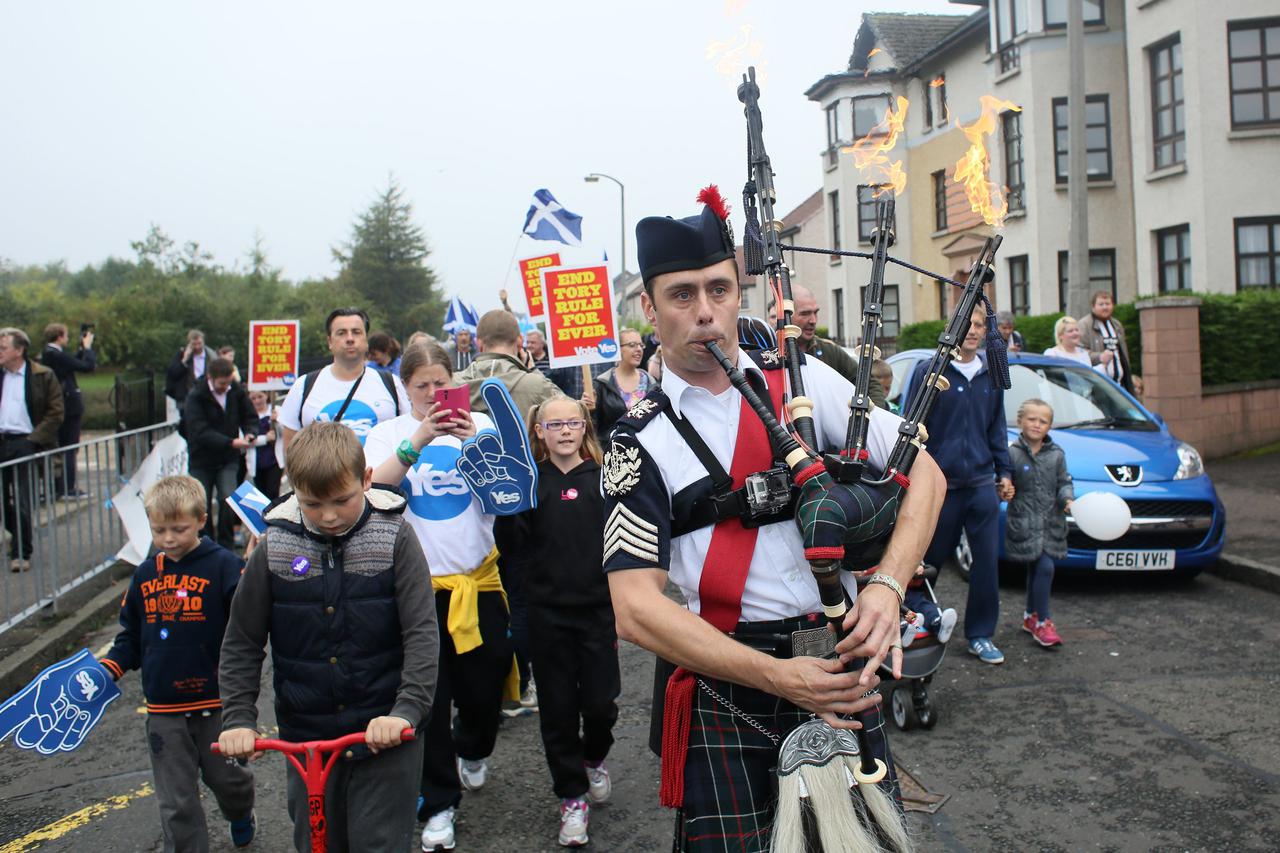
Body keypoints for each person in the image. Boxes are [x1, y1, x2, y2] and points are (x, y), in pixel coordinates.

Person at [604, 195, 945, 850]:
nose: (705, 310)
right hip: (734, 677)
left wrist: (888, 585)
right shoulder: (634, 443)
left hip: (840, 660)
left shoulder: (802, 378)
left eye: (719, 288)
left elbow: (924, 472)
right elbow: (635, 608)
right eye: (681, 294)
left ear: (739, 291)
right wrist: (779, 677)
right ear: (649, 308)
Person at [218, 421, 437, 853]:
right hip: (308, 739)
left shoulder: (394, 536)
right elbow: (242, 641)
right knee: (316, 843)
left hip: (385, 731)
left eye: (342, 500)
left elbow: (421, 631)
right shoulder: (275, 546)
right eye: (313, 504)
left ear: (367, 479)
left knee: (379, 844)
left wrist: (407, 710)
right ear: (293, 489)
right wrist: (239, 719)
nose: (330, 515)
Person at [363, 343, 516, 852]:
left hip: (479, 583)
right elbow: (370, 494)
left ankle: (474, 748)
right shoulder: (387, 433)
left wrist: (481, 446)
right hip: (414, 593)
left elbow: (511, 497)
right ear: (405, 387)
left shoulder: (482, 426)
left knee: (484, 688)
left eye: (440, 383)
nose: (433, 394)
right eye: (422, 385)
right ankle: (439, 804)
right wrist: (419, 438)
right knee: (428, 701)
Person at [99, 475, 256, 852]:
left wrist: (254, 575)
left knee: (230, 782)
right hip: (164, 709)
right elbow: (131, 635)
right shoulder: (145, 573)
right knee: (176, 801)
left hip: (215, 702)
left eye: (179, 529)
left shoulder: (222, 566)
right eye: (159, 530)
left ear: (202, 520)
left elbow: (248, 618)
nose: (169, 539)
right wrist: (110, 667)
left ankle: (240, 812)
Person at [494, 396, 618, 847]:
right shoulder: (529, 483)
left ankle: (593, 758)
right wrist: (506, 506)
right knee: (559, 709)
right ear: (539, 432)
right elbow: (511, 548)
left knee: (601, 705)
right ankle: (571, 797)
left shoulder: (605, 479)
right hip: (547, 614)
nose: (565, 431)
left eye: (573, 422)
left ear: (585, 428)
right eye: (555, 424)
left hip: (598, 612)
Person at [907, 307, 1013, 665]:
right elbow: (912, 427)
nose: (972, 331)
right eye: (965, 325)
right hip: (941, 486)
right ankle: (917, 622)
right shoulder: (930, 370)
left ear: (985, 332)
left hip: (982, 483)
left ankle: (980, 635)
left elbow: (996, 427)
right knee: (928, 561)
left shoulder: (991, 371)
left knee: (986, 562)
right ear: (951, 328)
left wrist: (1005, 471)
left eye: (979, 326)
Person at [277, 307, 409, 449]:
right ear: (329, 341)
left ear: (366, 340)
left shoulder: (391, 384)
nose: (350, 338)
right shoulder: (303, 386)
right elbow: (290, 444)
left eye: (356, 332)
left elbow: (408, 433)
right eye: (341, 333)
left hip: (380, 471)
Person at [1006, 398, 1073, 649]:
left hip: (1050, 521)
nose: (1036, 424)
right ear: (1021, 421)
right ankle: (1034, 617)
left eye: (1043, 421)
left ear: (1050, 426)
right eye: (1032, 419)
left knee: (1044, 567)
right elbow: (1003, 479)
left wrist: (1067, 498)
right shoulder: (1012, 452)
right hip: (1024, 522)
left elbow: (1064, 481)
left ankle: (1039, 619)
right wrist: (1005, 488)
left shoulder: (1057, 455)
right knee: (1036, 567)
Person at [0, 328, 64, 572]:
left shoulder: (42, 375)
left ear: (19, 350)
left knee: (23, 498)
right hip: (1, 441)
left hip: (26, 442)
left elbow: (56, 412)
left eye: (3, 348)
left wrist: (34, 439)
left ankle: (21, 552)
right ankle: (19, 534)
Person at [183, 358, 257, 549]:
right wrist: (231, 442)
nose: (226, 387)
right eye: (222, 384)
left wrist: (250, 432)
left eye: (228, 382)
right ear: (210, 378)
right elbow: (199, 431)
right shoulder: (195, 397)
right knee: (201, 503)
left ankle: (226, 544)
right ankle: (204, 543)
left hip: (227, 459)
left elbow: (249, 415)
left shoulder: (235, 391)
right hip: (202, 459)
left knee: (228, 498)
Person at [790, 284, 887, 409]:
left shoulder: (828, 351)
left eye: (815, 312)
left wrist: (873, 418)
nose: (813, 320)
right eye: (805, 314)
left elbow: (869, 384)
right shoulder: (769, 352)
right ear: (785, 314)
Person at [40, 322, 96, 500]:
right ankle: (66, 487)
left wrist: (82, 349)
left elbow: (73, 363)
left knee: (65, 447)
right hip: (67, 406)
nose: (67, 338)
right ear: (59, 336)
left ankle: (62, 486)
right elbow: (86, 366)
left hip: (65, 405)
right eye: (66, 335)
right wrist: (88, 349)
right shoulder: (53, 354)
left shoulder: (53, 355)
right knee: (69, 447)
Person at [593, 328, 657, 439]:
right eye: (632, 345)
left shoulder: (651, 382)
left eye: (641, 345)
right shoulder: (602, 383)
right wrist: (588, 408)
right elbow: (594, 425)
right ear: (618, 349)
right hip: (613, 449)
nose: (638, 349)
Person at [1079, 291, 1141, 395]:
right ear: (1093, 307)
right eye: (1101, 304)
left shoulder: (1116, 325)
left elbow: (1124, 354)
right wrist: (1099, 357)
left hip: (1120, 385)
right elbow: (1079, 353)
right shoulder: (1084, 325)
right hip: (1098, 386)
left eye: (1108, 304)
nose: (1105, 307)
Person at [246, 390, 283, 501]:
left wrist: (277, 421)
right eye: (253, 398)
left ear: (266, 396)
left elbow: (286, 432)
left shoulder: (276, 410)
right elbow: (246, 440)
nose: (257, 401)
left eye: (260, 396)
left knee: (273, 491)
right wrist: (265, 439)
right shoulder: (247, 415)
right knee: (262, 494)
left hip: (274, 459)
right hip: (257, 461)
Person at [165, 329, 208, 407]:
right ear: (189, 344)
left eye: (199, 343)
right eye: (194, 344)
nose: (197, 347)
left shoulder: (211, 356)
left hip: (205, 396)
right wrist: (184, 360)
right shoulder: (181, 355)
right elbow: (173, 374)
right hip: (186, 397)